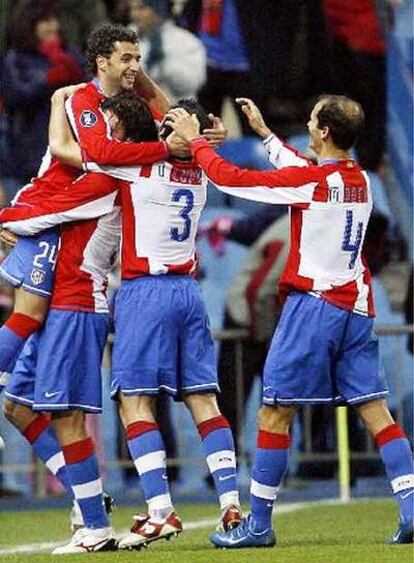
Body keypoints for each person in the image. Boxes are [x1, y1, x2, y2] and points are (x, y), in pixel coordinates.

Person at [166, 94, 414, 547]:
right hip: (356, 307)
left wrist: (196, 144)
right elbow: (305, 167)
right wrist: (264, 134)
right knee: (375, 409)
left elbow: (234, 180)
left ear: (323, 132)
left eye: (313, 117)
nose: (307, 119)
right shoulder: (356, 178)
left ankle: (258, 524)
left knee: (275, 410)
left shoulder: (312, 182)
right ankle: (412, 509)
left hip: (314, 307)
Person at [44, 93, 243, 549]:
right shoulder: (202, 171)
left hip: (144, 290)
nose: (162, 128)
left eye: (168, 125)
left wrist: (62, 107)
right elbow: (177, 133)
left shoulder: (132, 169)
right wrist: (195, 134)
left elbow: (74, 152)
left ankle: (160, 511)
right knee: (203, 401)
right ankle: (231, 502)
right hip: (188, 292)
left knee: (134, 401)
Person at [0, 22, 179, 392]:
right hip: (47, 211)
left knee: (33, 348)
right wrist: (165, 149)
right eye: (126, 58)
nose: (135, 66)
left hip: (74, 220)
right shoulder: (82, 99)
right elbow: (101, 154)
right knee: (28, 315)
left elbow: (172, 115)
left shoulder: (126, 105)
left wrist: (133, 70)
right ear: (101, 61)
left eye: (139, 59)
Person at [128, 0, 207, 101]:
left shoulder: (185, 41)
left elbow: (192, 84)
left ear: (158, 11)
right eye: (132, 9)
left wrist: (165, 62)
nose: (134, 14)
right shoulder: (124, 39)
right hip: (135, 111)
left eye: (141, 8)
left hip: (175, 110)